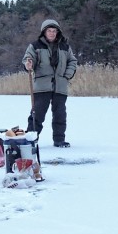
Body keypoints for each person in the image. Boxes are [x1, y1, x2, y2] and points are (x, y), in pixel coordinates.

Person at [23, 18, 78, 148]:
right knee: (37, 114)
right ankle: (31, 139)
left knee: (60, 115)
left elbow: (72, 61)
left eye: (54, 31)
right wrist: (28, 64)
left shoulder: (65, 47)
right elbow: (28, 58)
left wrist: (67, 75)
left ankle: (59, 140)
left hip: (60, 86)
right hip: (42, 86)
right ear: (44, 32)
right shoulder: (35, 46)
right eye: (49, 31)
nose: (52, 33)